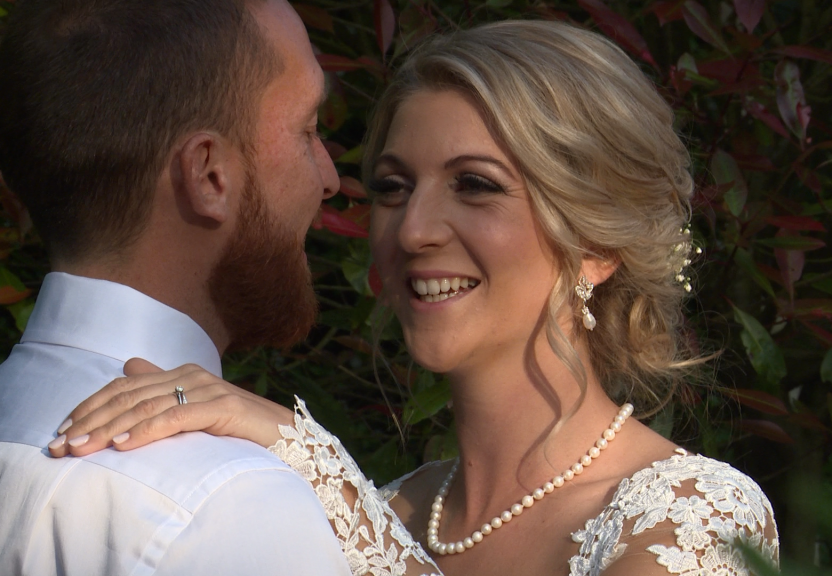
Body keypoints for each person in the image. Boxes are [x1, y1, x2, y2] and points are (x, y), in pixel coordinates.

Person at [54, 20, 780, 576]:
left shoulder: (697, 514)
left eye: (476, 185)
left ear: (597, 244)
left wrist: (318, 465)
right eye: (395, 188)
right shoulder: (387, 506)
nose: (413, 231)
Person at [0, 1, 438, 575]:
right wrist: (320, 465)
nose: (330, 178)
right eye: (308, 130)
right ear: (210, 176)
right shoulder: (236, 504)